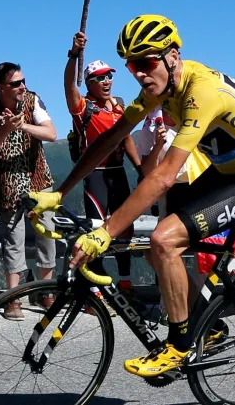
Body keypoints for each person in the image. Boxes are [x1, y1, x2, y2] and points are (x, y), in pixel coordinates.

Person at [29, 14, 235, 377]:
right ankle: (207, 326)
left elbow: (164, 176)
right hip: (228, 170)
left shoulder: (201, 92)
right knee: (159, 246)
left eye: (145, 63)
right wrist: (60, 193)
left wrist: (104, 232)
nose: (138, 73)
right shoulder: (161, 88)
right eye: (131, 65)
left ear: (173, 56)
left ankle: (179, 346)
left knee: (163, 239)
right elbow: (110, 138)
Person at [65, 32, 142, 315]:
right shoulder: (83, 108)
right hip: (95, 175)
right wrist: (73, 54)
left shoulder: (118, 106)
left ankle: (125, 285)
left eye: (109, 76)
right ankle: (95, 294)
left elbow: (127, 139)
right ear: (89, 83)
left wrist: (141, 170)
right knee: (97, 232)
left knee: (125, 230)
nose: (107, 81)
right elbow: (68, 86)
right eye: (100, 78)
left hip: (118, 173)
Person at [0, 62, 57, 320]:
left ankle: (46, 293)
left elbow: (51, 134)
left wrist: (22, 127)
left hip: (38, 179)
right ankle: (14, 298)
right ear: (1, 87)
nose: (22, 86)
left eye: (23, 81)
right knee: (13, 241)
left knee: (48, 237)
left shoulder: (33, 100)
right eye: (16, 83)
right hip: (7, 184)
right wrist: (5, 129)